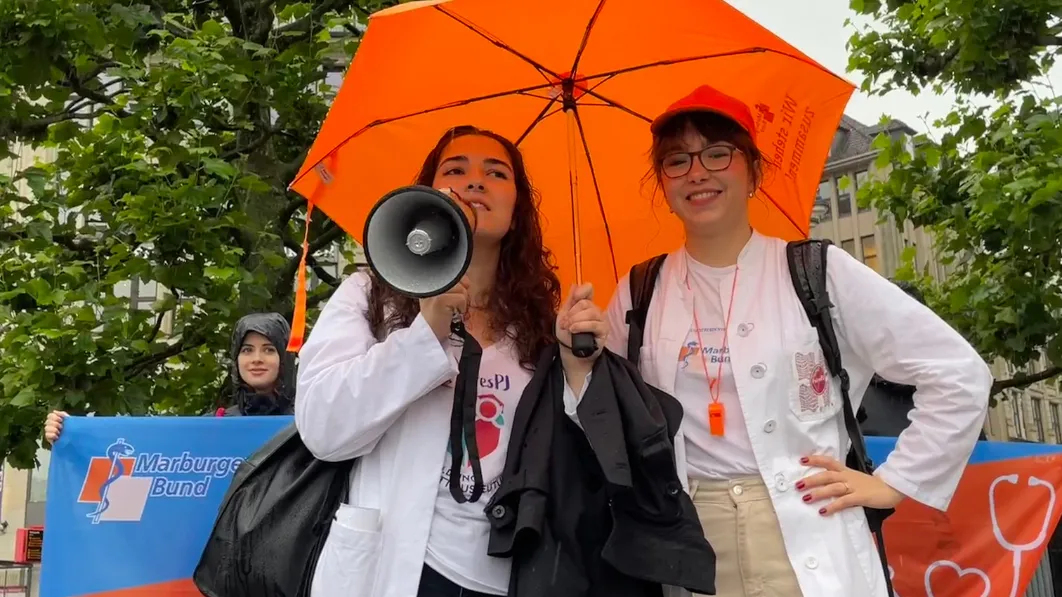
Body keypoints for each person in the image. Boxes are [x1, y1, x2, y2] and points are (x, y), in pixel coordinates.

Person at [594, 85, 992, 597]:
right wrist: (579, 356)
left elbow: (958, 373)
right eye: (676, 160)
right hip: (690, 539)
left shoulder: (816, 271)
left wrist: (893, 484)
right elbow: (605, 419)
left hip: (806, 528)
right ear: (663, 183)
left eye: (718, 154)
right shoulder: (639, 288)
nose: (698, 172)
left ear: (753, 171)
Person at [293, 125, 607, 597]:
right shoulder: (370, 296)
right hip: (396, 565)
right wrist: (425, 334)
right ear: (426, 196)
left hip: (505, 570)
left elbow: (579, 460)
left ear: (518, 207)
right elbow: (323, 429)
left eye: (496, 173)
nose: (475, 182)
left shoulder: (545, 325)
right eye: (455, 170)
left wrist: (581, 370)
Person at [43, 312, 296, 443]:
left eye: (269, 349)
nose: (256, 359)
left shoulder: (309, 424)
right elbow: (148, 448)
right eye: (247, 350)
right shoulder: (215, 426)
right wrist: (72, 433)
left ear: (284, 358)